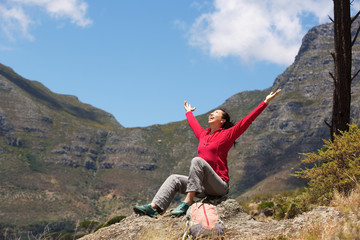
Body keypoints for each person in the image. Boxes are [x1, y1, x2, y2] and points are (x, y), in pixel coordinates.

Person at [133, 89, 281, 217]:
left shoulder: (228, 135)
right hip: (202, 188)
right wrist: (189, 112)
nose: (212, 113)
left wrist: (265, 102)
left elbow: (247, 121)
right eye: (212, 112)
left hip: (219, 185)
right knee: (174, 179)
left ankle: (188, 202)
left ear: (222, 121)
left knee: (197, 161)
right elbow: (194, 124)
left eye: (216, 113)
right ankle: (155, 208)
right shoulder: (204, 135)